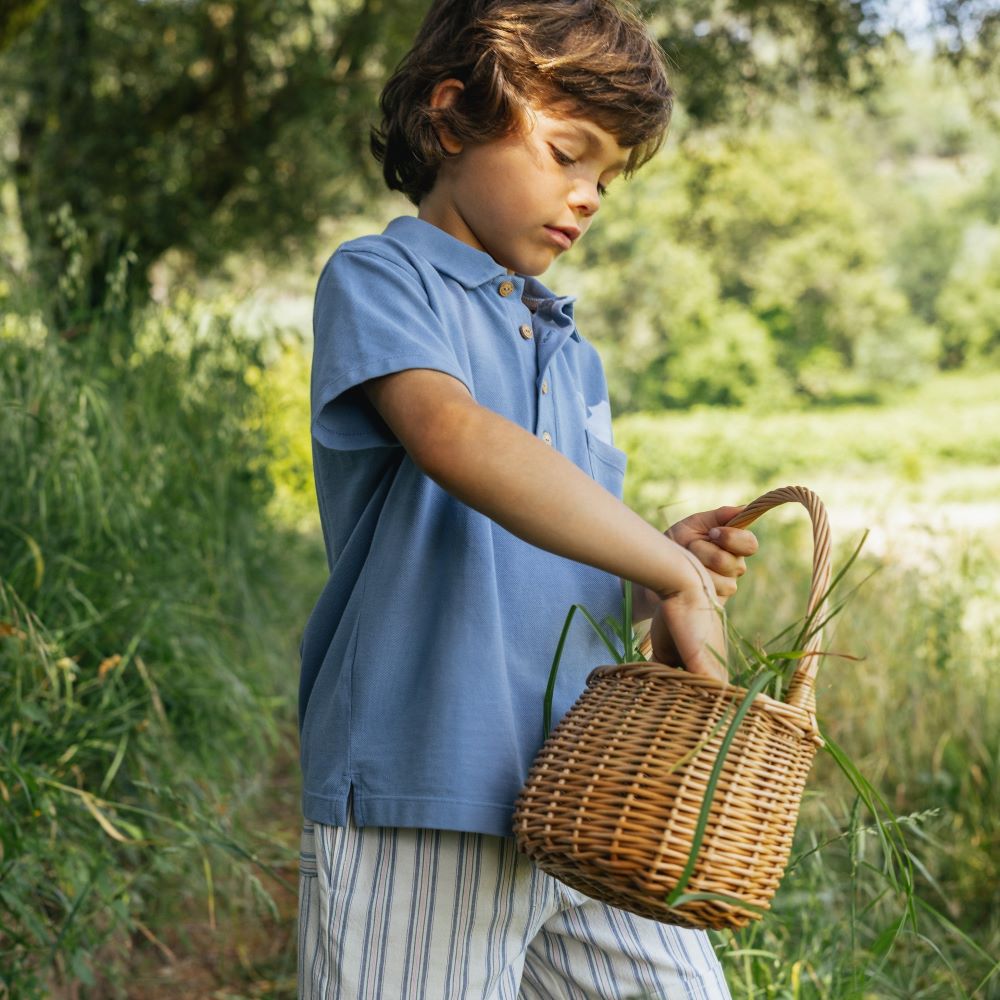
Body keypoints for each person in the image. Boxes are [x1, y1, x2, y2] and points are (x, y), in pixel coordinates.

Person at [297, 1, 758, 996]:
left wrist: (646, 564)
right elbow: (454, 438)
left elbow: (552, 569)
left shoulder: (572, 350)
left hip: (584, 799)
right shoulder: (383, 277)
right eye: (565, 153)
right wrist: (666, 563)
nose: (587, 196)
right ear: (451, 114)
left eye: (605, 177)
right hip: (424, 788)